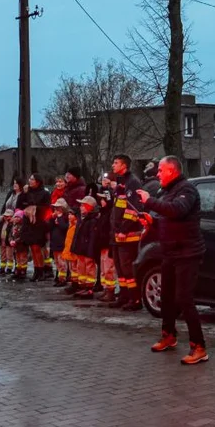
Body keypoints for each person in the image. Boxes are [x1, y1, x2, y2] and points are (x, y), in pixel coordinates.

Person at [139, 156, 207, 365]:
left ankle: (199, 347)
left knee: (184, 298)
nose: (157, 174)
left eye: (160, 170)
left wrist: (149, 201)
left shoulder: (187, 190)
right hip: (170, 252)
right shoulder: (167, 191)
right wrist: (152, 221)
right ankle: (168, 334)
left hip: (188, 253)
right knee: (166, 296)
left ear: (172, 171)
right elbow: (168, 218)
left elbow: (178, 211)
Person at [108, 155, 144, 307]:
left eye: (116, 163)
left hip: (128, 234)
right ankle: (123, 296)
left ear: (125, 165)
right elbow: (119, 207)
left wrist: (123, 229)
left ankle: (135, 299)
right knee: (120, 267)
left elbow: (133, 210)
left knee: (128, 267)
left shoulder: (132, 182)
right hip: (117, 233)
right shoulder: (122, 182)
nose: (113, 165)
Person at [16, 173, 51, 282]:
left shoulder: (45, 193)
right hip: (28, 223)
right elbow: (20, 204)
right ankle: (36, 270)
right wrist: (23, 193)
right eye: (29, 179)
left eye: (32, 179)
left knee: (37, 248)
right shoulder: (28, 192)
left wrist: (35, 208)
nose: (30, 181)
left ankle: (41, 270)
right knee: (32, 247)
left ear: (38, 181)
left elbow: (48, 208)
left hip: (39, 223)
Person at [68, 196, 100, 298]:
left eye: (83, 205)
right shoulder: (82, 219)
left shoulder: (92, 220)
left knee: (89, 267)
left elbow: (92, 237)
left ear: (89, 207)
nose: (81, 207)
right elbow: (77, 235)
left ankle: (89, 288)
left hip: (87, 250)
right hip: (80, 249)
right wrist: (74, 247)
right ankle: (82, 286)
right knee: (80, 267)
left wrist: (91, 251)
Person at [0, 178, 23, 276]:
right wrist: (3, 215)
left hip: (16, 219)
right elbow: (5, 205)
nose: (14, 185)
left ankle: (16, 266)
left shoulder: (22, 195)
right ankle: (4, 266)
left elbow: (22, 208)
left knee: (13, 245)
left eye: (17, 183)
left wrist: (16, 217)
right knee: (4, 242)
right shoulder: (10, 194)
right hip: (6, 218)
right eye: (14, 183)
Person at [49, 198, 72, 286]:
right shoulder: (55, 217)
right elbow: (49, 228)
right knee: (57, 262)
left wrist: (59, 218)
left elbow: (64, 228)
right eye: (55, 208)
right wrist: (52, 219)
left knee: (62, 263)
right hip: (55, 243)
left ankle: (63, 279)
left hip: (62, 243)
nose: (56, 210)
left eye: (58, 208)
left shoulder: (66, 217)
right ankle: (59, 277)